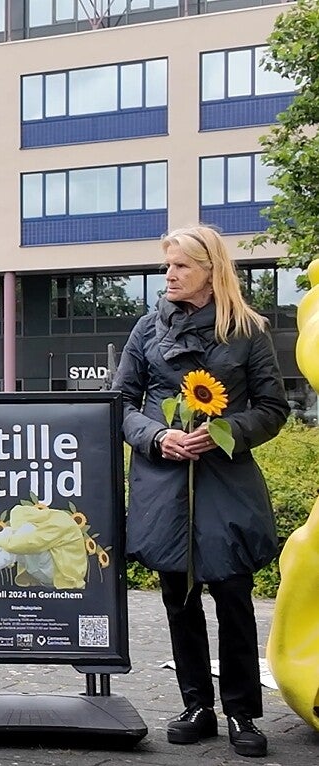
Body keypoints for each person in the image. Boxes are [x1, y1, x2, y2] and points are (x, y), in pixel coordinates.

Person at [112, 225, 287, 758]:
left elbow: (273, 408)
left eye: (181, 265)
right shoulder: (147, 328)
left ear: (212, 272)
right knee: (178, 594)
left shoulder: (248, 330)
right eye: (167, 265)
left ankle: (242, 712)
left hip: (226, 477)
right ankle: (196, 706)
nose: (169, 274)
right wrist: (157, 436)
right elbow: (120, 403)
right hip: (163, 479)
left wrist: (225, 431)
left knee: (232, 593)